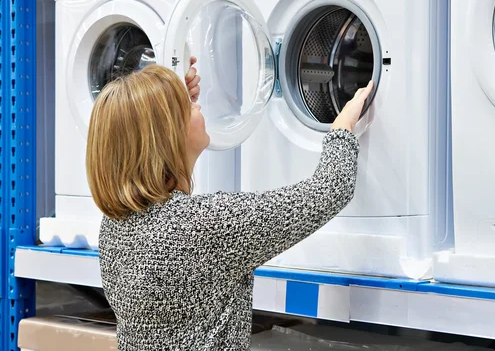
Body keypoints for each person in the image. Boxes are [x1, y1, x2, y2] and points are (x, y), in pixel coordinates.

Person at [86, 57, 374, 350]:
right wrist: (343, 126)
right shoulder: (205, 225)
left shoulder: (115, 225)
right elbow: (328, 191)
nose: (197, 107)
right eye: (188, 108)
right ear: (167, 135)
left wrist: (169, 98)